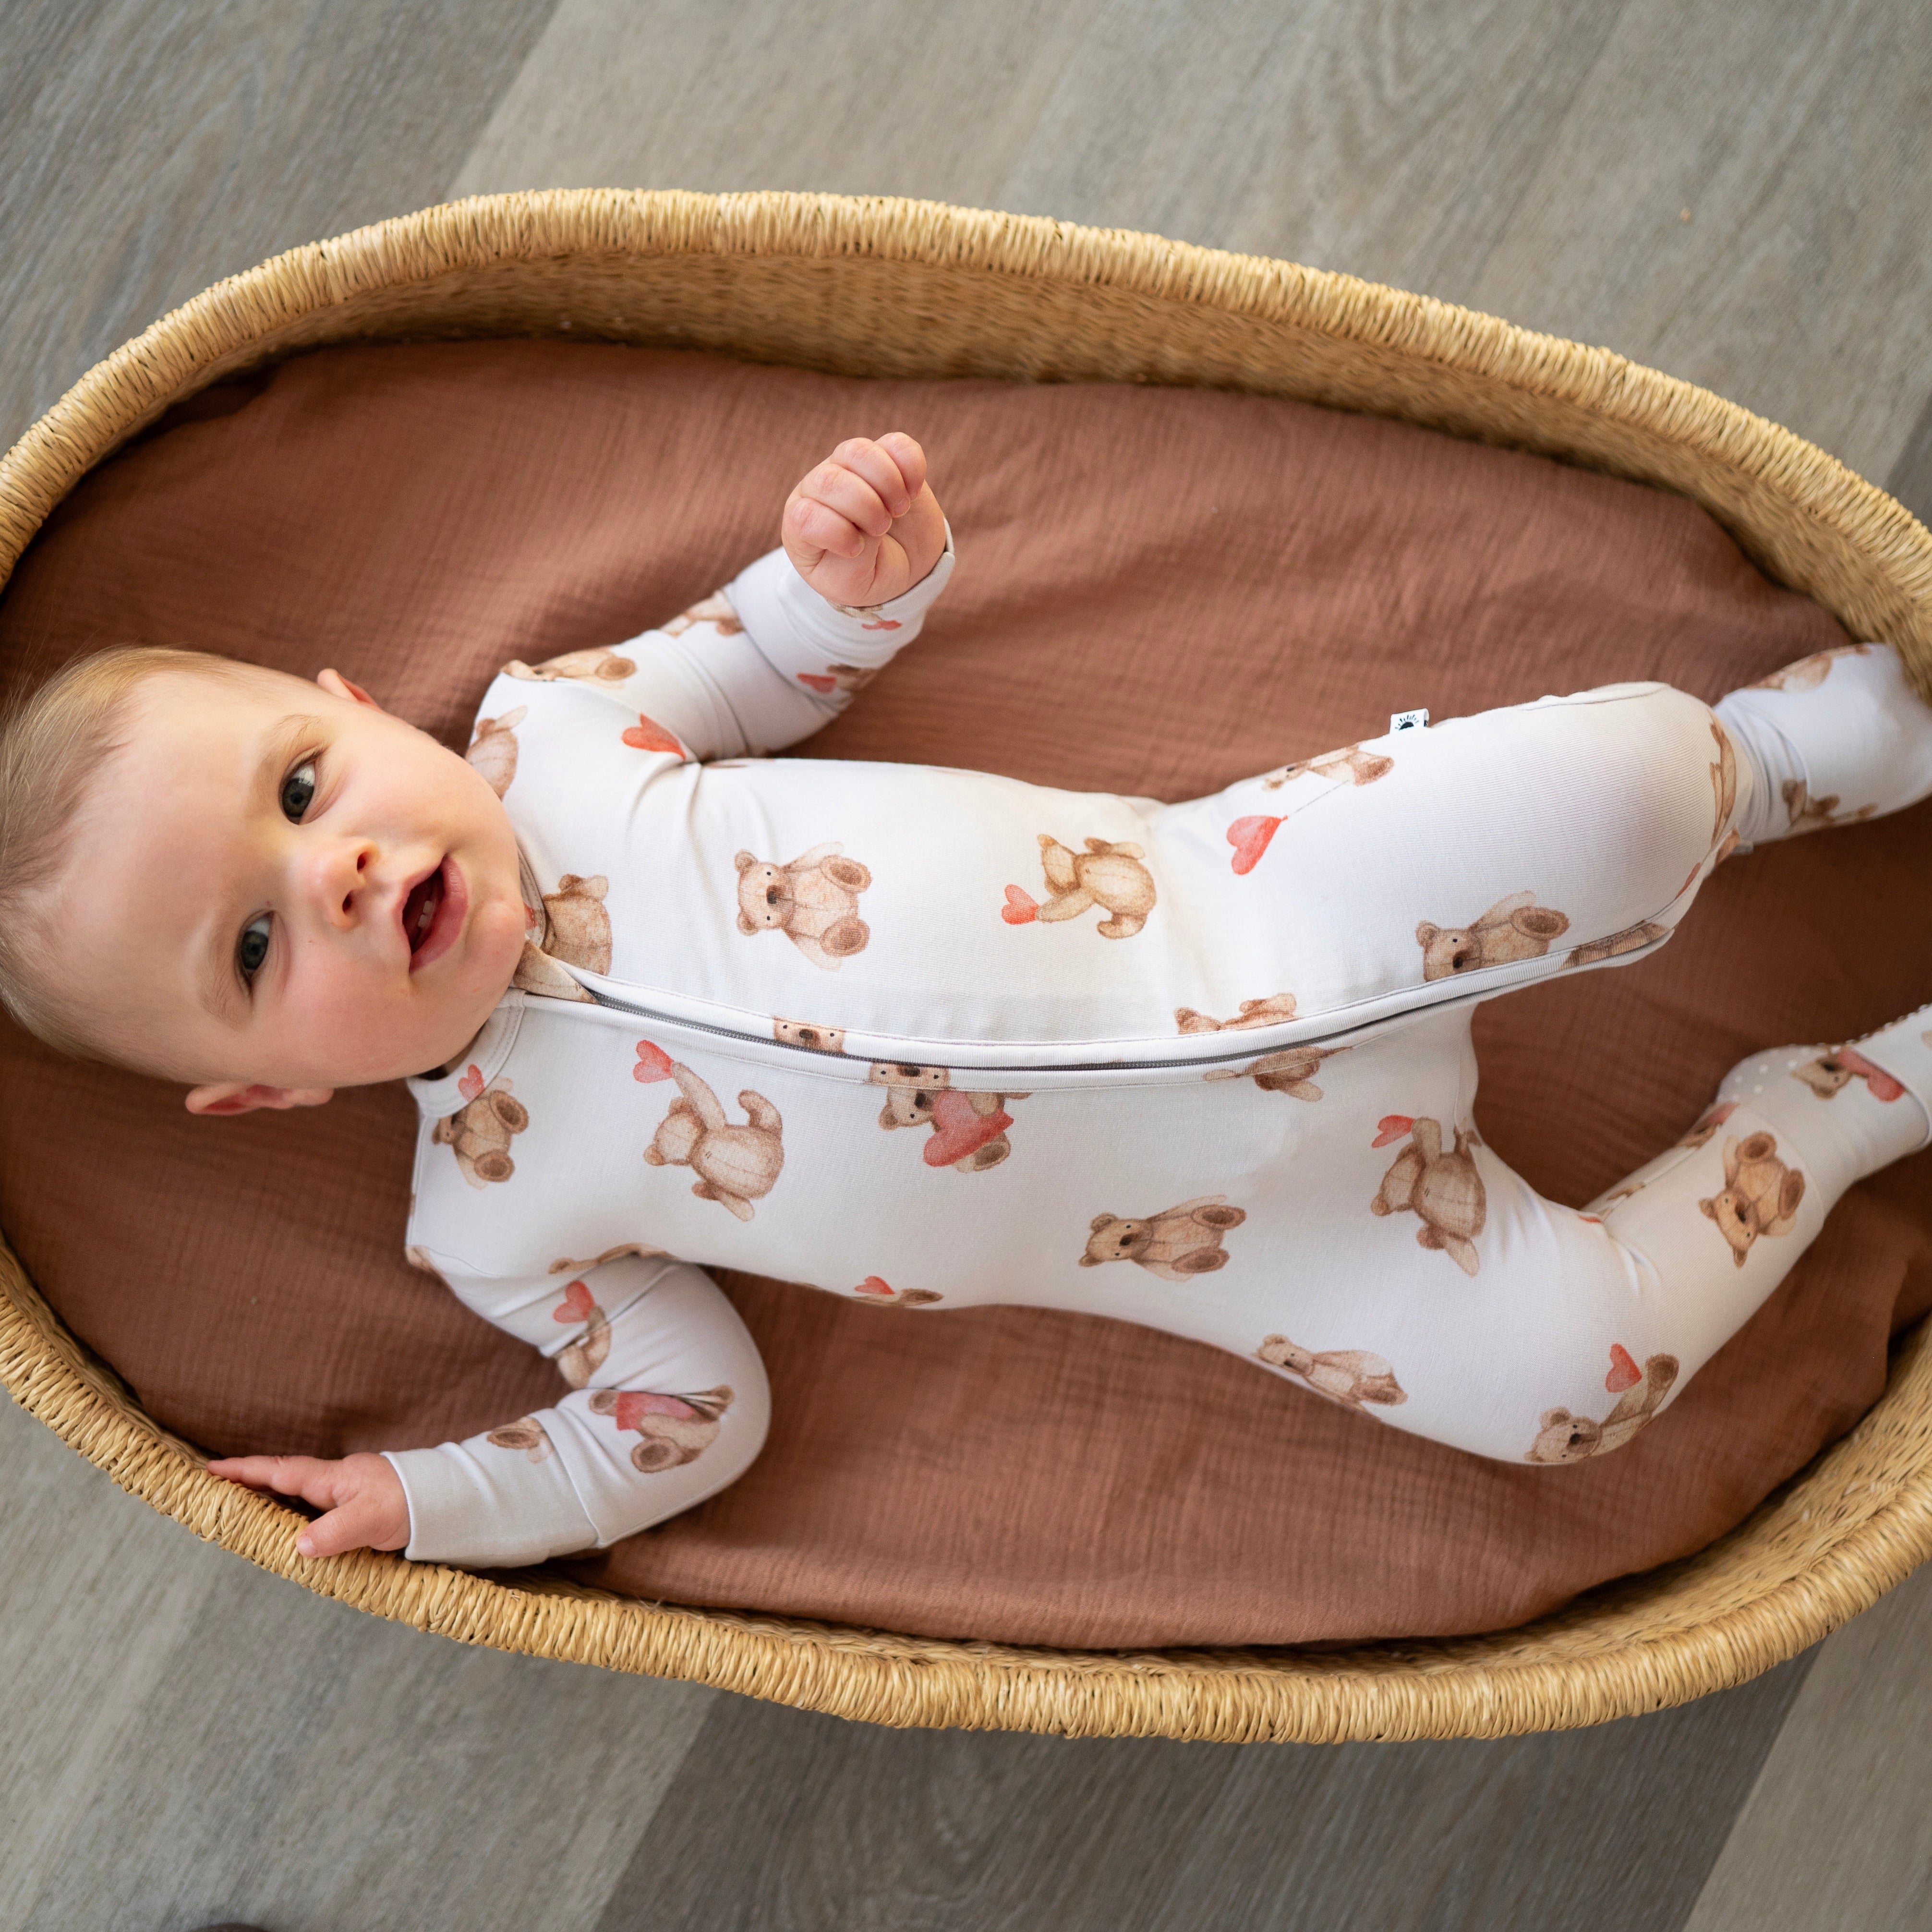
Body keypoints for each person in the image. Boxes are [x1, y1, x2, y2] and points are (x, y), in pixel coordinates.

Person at [1, 433, 1927, 1568]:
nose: (332, 874)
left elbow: (768, 658)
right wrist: (433, 1499)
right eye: (250, 950)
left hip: (1268, 892)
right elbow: (681, 1416)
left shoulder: (559, 735)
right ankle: (1825, 1112)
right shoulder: (494, 1219)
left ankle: (1772, 768)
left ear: (352, 710)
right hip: (1281, 1242)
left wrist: (851, 575)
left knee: (1628, 781)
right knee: (1570, 1389)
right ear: (262, 1098)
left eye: (300, 788)